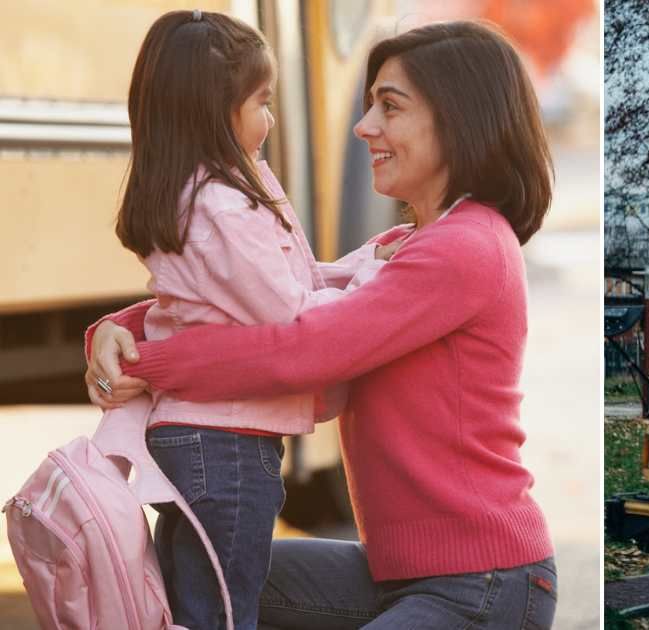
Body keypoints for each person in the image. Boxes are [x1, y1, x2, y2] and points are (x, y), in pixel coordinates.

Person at [87, 19, 557, 629]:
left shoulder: (466, 249)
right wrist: (115, 328)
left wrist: (148, 365)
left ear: (459, 119)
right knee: (186, 579)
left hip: (484, 584)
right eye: (369, 107)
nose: (364, 128)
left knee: (216, 587)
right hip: (396, 573)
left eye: (389, 107)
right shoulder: (407, 245)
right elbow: (266, 291)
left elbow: (302, 349)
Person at [88, 10, 395, 629]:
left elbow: (289, 282)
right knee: (223, 613)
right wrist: (376, 283)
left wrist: (365, 259)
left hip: (200, 438)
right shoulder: (222, 206)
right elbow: (290, 313)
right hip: (225, 445)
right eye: (261, 102)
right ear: (215, 109)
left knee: (191, 602)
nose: (271, 119)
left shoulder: (205, 190)